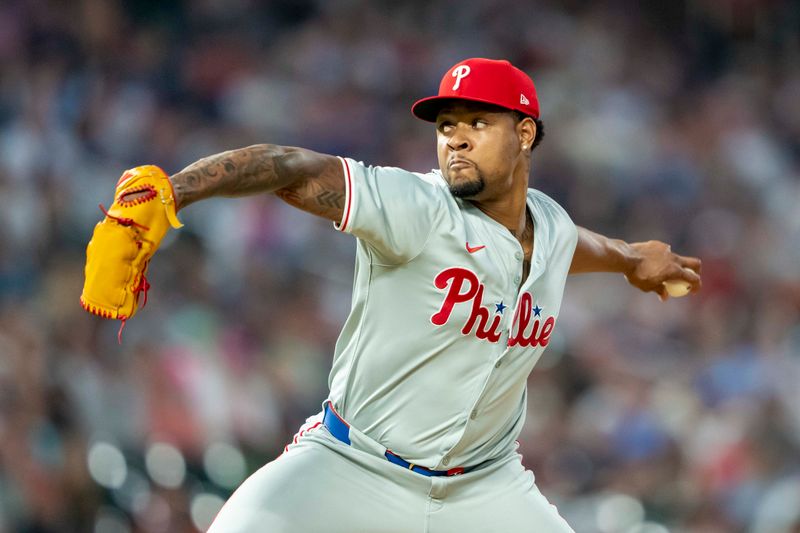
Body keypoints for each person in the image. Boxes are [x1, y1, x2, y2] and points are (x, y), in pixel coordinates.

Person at [155, 58, 700, 531]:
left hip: (485, 488)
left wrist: (632, 260)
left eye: (478, 122)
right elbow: (292, 168)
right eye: (446, 126)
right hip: (354, 464)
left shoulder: (550, 224)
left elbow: (575, 246)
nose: (455, 139)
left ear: (526, 134)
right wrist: (174, 192)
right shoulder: (417, 207)